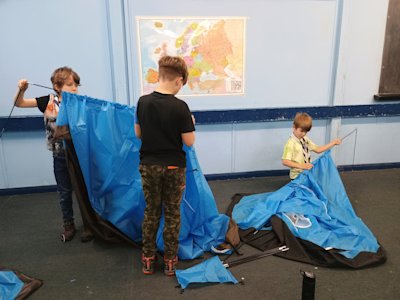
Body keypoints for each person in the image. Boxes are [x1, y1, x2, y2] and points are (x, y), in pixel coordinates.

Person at [14, 67, 94, 243]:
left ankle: (89, 226)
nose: (75, 89)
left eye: (76, 85)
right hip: (59, 155)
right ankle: (68, 225)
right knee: (65, 192)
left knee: (83, 190)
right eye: (71, 85)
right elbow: (19, 103)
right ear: (57, 86)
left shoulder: (80, 102)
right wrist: (22, 89)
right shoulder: (47, 101)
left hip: (79, 155)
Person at [135, 56, 195, 276]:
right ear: (179, 80)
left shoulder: (143, 102)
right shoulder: (181, 107)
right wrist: (191, 122)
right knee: (172, 214)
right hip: (173, 167)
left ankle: (148, 259)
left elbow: (138, 134)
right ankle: (170, 261)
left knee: (151, 212)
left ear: (160, 75)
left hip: (149, 165)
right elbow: (189, 141)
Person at [282, 112, 341, 180]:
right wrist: (302, 166)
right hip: (297, 177)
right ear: (294, 127)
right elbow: (285, 161)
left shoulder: (305, 139)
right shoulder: (290, 143)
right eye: (301, 131)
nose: (304, 134)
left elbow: (318, 149)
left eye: (306, 132)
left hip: (307, 173)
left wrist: (333, 142)